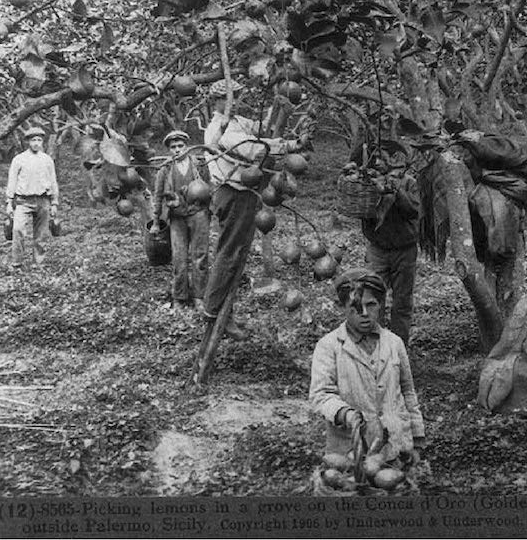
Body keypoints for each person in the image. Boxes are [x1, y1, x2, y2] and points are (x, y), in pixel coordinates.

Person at [202, 79, 305, 340]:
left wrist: (279, 106)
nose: (236, 101)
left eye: (237, 95)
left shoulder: (236, 121)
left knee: (235, 254)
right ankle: (213, 313)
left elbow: (260, 129)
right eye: (230, 97)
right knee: (229, 253)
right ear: (217, 101)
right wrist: (289, 146)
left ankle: (225, 314)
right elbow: (252, 147)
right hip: (233, 194)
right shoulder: (219, 129)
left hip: (245, 194)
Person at [309, 268, 425, 465]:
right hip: (349, 450)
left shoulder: (394, 343)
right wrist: (346, 414)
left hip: (395, 446)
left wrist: (417, 438)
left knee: (397, 489)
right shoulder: (329, 346)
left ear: (380, 305)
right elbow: (320, 395)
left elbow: (407, 392)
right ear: (343, 308)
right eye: (355, 307)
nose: (364, 313)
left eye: (370, 305)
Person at [362, 152, 420, 346]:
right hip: (378, 249)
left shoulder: (408, 182)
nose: (380, 166)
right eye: (376, 164)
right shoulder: (368, 183)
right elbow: (364, 213)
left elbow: (413, 210)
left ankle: (398, 347)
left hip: (405, 250)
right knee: (372, 297)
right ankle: (374, 346)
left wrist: (394, 191)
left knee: (402, 302)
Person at [150, 130, 210, 313]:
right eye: (173, 147)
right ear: (169, 150)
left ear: (187, 147)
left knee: (200, 257)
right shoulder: (165, 169)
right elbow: (158, 196)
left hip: (198, 214)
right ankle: (180, 296)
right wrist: (155, 221)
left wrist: (210, 208)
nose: (177, 150)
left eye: (180, 146)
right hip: (176, 218)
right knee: (179, 259)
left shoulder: (199, 165)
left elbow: (209, 188)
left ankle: (199, 296)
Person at [5, 126, 59, 269]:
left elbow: (53, 181)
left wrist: (54, 203)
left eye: (39, 140)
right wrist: (9, 202)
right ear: (28, 141)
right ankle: (17, 263)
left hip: (43, 200)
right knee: (18, 230)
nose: (36, 143)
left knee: (41, 234)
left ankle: (38, 263)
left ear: (42, 142)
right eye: (33, 140)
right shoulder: (19, 159)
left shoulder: (47, 160)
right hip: (23, 200)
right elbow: (12, 181)